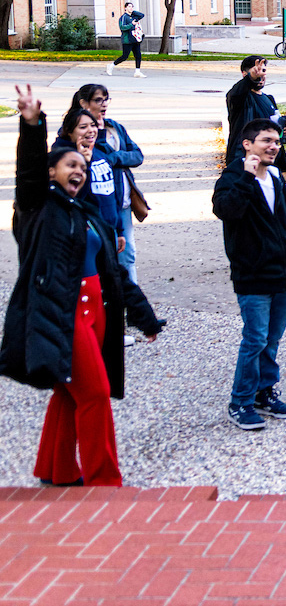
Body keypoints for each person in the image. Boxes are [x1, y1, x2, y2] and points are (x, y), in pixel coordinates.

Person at [0, 85, 164, 487]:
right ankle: (103, 480)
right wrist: (33, 123)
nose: (79, 170)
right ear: (52, 172)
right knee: (94, 393)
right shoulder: (39, 206)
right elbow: (29, 168)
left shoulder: (87, 211)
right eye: (69, 165)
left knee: (68, 393)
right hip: (63, 311)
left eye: (82, 167)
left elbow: (114, 273)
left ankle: (56, 470)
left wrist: (145, 318)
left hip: (97, 312)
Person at [212, 119, 286, 430]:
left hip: (283, 271)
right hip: (252, 275)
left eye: (277, 141)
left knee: (272, 339)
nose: (273, 146)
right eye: (266, 140)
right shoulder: (233, 177)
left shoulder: (277, 176)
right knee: (254, 339)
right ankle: (240, 401)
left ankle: (265, 392)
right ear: (247, 144)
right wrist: (247, 179)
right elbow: (227, 210)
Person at [71, 86, 146, 284]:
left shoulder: (115, 128)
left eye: (106, 99)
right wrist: (100, 136)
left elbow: (137, 155)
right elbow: (98, 156)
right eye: (98, 100)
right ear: (83, 104)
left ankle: (131, 309)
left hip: (121, 201)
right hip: (95, 206)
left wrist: (116, 157)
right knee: (99, 257)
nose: (104, 104)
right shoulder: (76, 133)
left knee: (127, 255)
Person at [225, 55, 286, 176]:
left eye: (264, 71)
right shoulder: (240, 98)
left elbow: (275, 129)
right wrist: (252, 78)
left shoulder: (269, 99)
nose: (261, 75)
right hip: (246, 163)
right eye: (256, 71)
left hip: (271, 164)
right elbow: (236, 92)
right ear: (244, 74)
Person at [106, 3, 146, 78]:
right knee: (125, 56)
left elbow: (142, 15)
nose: (131, 8)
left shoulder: (134, 16)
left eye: (132, 7)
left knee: (138, 55)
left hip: (135, 39)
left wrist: (133, 12)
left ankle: (137, 72)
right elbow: (122, 27)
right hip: (127, 40)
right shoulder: (123, 17)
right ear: (125, 8)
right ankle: (111, 65)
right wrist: (132, 24)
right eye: (129, 6)